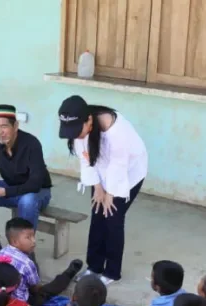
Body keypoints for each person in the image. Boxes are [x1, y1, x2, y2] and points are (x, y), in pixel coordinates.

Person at [58, 95, 148, 286]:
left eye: (77, 130)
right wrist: (97, 187)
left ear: (89, 120)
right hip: (101, 170)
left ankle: (112, 272)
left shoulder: (117, 132)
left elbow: (118, 166)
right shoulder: (79, 130)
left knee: (113, 219)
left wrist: (111, 194)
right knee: (97, 214)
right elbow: (86, 159)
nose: (75, 135)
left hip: (128, 173)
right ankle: (94, 266)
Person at [0, 104, 54, 256]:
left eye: (4, 126)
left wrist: (4, 192)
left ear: (16, 125)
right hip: (10, 189)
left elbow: (35, 183)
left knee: (28, 201)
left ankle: (24, 252)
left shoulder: (31, 144)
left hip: (38, 192)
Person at [0, 217, 82, 306]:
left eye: (33, 236)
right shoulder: (26, 263)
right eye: (28, 237)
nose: (34, 241)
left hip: (0, 298)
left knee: (31, 265)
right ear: (15, 241)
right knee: (46, 290)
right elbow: (35, 289)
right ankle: (67, 275)